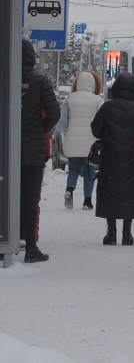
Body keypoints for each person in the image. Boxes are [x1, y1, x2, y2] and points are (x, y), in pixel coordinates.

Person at [91, 72, 134, 246]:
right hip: (132, 159)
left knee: (110, 191)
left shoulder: (107, 108)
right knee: (130, 192)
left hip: (110, 157)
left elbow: (96, 130)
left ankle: (111, 233)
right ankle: (127, 233)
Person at [20, 39, 60, 263]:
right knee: (30, 197)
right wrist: (39, 129)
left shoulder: (4, 75)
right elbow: (54, 113)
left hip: (6, 150)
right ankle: (30, 248)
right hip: (33, 151)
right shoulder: (39, 81)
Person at [56, 70, 105, 210]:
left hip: (72, 141)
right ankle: (87, 202)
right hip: (91, 143)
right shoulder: (97, 100)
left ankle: (69, 191)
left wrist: (68, 131)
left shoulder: (70, 99)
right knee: (89, 172)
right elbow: (103, 119)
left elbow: (61, 121)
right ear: (93, 84)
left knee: (73, 170)